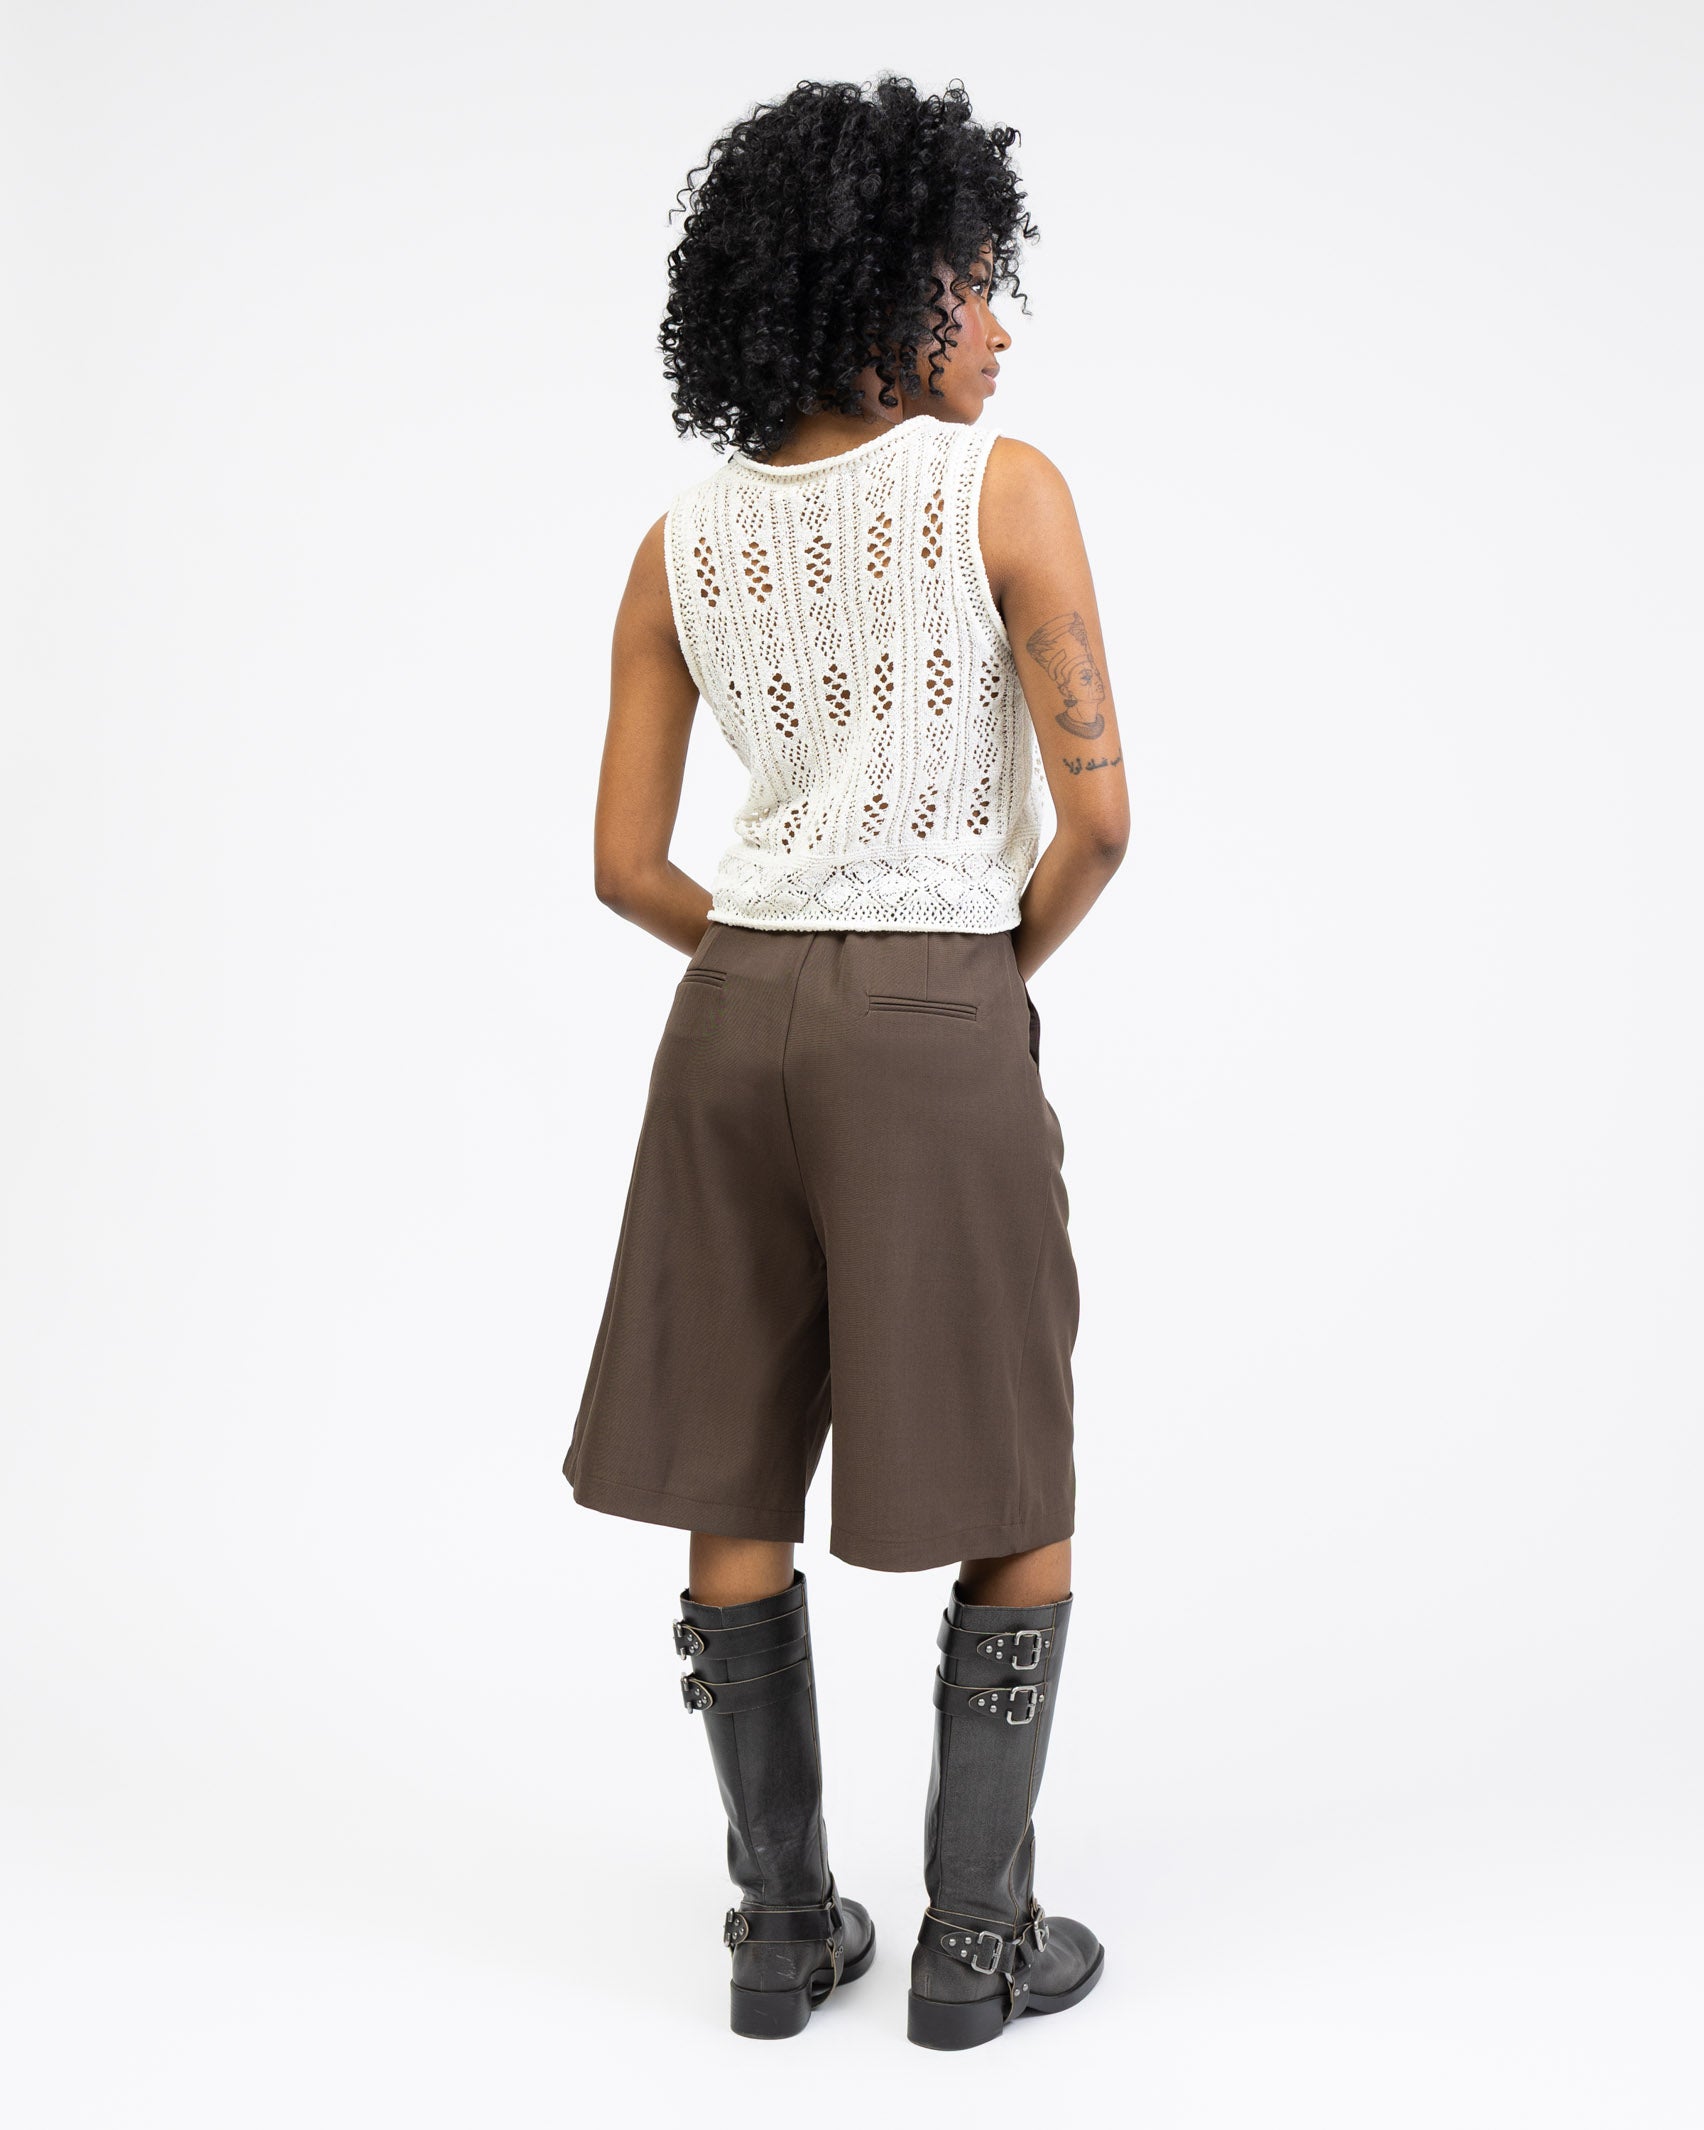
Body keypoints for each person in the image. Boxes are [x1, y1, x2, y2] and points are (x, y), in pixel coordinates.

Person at [563, 73, 1128, 2049]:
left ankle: (780, 1931)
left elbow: (624, 864)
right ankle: (977, 1946)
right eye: (971, 278)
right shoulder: (1002, 492)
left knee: (731, 1453)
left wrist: (776, 959)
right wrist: (972, 975)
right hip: (931, 1010)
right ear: (883, 284)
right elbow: (1101, 824)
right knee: (1011, 1456)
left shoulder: (678, 542)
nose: (1001, 322)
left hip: (726, 1018)